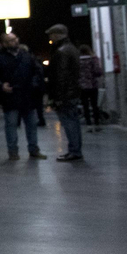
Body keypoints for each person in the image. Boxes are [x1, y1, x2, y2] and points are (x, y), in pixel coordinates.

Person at [0, 34, 45, 161]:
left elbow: (37, 71)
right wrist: (1, 85)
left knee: (31, 124)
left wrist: (34, 84)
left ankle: (33, 149)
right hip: (10, 96)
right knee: (11, 125)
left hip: (27, 95)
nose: (14, 42)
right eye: (10, 41)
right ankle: (13, 152)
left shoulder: (26, 55)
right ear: (4, 44)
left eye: (15, 39)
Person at [47, 25, 84, 162]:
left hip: (65, 94)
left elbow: (60, 76)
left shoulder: (61, 51)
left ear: (57, 35)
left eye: (51, 34)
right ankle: (76, 150)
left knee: (69, 123)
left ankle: (74, 151)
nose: (50, 38)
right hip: (72, 92)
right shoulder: (71, 48)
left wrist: (57, 97)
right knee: (74, 122)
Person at [77, 44, 103, 131]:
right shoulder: (93, 59)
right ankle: (97, 123)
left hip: (82, 86)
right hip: (92, 85)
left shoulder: (77, 60)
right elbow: (98, 72)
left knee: (85, 106)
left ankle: (88, 124)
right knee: (94, 105)